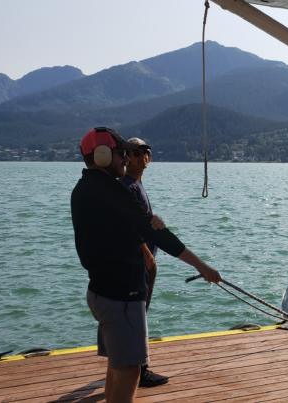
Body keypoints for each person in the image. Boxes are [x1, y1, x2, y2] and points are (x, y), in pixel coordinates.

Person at [71, 127, 221, 403]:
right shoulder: (112, 192)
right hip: (121, 296)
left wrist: (141, 225)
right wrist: (202, 267)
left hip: (101, 291)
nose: (125, 160)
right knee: (129, 371)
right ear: (102, 156)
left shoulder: (85, 188)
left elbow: (118, 229)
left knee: (117, 364)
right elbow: (158, 236)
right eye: (120, 154)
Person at [119, 137, 165, 387]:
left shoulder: (136, 185)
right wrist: (147, 256)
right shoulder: (127, 187)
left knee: (140, 314)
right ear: (125, 156)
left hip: (144, 261)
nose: (141, 156)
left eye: (145, 151)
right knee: (137, 316)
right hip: (140, 263)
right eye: (135, 152)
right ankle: (140, 370)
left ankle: (132, 366)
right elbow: (128, 226)